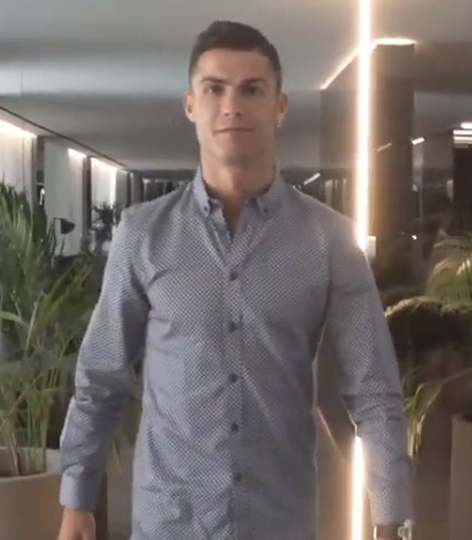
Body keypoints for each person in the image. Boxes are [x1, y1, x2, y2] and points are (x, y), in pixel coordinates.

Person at [57, 20, 413, 540]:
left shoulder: (329, 240)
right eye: (214, 89)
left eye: (252, 89)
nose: (232, 106)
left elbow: (374, 390)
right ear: (190, 105)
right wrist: (77, 502)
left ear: (279, 106)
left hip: (280, 521)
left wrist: (392, 517)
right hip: (170, 522)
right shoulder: (144, 234)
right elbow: (101, 375)